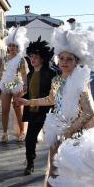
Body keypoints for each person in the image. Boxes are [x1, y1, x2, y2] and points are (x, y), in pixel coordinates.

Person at [15, 22, 94, 187]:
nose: (64, 62)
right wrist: (27, 101)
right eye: (62, 58)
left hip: (77, 134)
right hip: (58, 129)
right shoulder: (56, 80)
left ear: (76, 61)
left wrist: (71, 130)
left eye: (69, 59)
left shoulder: (81, 80)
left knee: (81, 171)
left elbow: (88, 112)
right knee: (54, 169)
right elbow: (50, 100)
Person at [0, 26, 29, 143]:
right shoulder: (5, 59)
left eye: (14, 46)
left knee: (17, 109)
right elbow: (1, 74)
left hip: (16, 85)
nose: (11, 48)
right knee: (4, 109)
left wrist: (25, 85)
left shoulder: (21, 59)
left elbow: (24, 74)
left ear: (18, 47)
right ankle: (5, 133)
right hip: (6, 84)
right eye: (10, 45)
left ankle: (22, 132)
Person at [22, 37, 56, 176]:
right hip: (34, 112)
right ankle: (30, 163)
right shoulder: (30, 74)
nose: (32, 59)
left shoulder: (51, 73)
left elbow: (53, 96)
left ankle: (58, 167)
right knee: (29, 139)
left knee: (55, 141)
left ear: (42, 58)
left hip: (48, 112)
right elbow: (30, 93)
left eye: (35, 57)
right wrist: (21, 99)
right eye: (31, 56)